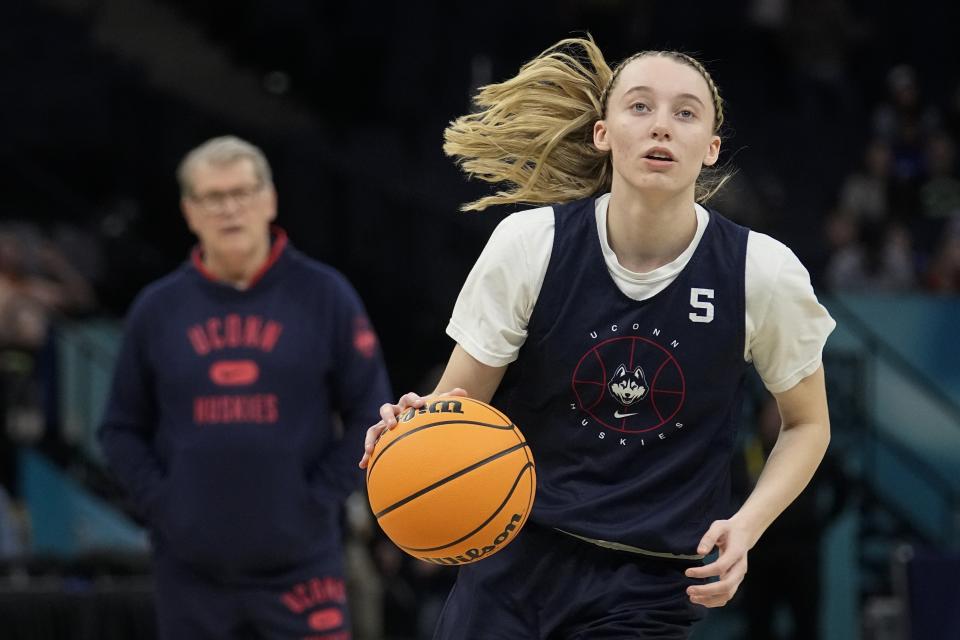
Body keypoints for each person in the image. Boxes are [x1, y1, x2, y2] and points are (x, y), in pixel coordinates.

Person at [360, 36, 835, 638]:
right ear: (602, 133)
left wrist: (747, 524)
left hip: (649, 581)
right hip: (514, 556)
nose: (662, 125)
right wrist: (416, 427)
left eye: (685, 113)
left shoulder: (761, 271)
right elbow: (461, 406)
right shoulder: (530, 243)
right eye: (640, 106)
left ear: (711, 149)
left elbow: (807, 423)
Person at [99, 135, 391, 640]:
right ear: (190, 211)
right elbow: (120, 429)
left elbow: (372, 410)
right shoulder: (157, 308)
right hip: (190, 572)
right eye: (213, 197)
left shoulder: (325, 295)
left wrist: (316, 500)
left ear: (270, 199)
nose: (230, 208)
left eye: (243, 192)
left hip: (302, 565)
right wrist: (168, 505)